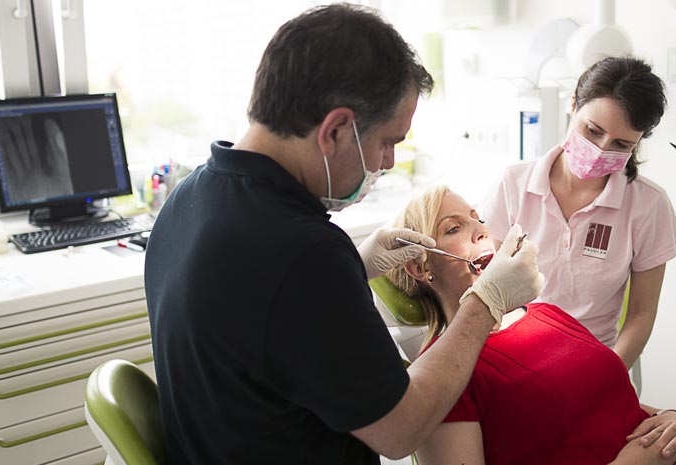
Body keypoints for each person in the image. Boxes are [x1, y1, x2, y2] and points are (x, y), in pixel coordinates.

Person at [144, 5, 543, 465]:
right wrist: (485, 304)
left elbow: (273, 323)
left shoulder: (191, 196)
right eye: (388, 141)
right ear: (335, 129)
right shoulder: (302, 254)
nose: (389, 161)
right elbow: (400, 431)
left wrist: (355, 264)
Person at [384, 186, 676, 465]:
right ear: (419, 266)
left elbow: (607, 400)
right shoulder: (439, 379)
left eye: (478, 219)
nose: (482, 230)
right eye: (453, 229)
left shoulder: (547, 314)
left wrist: (671, 420)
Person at [480, 56, 676, 368]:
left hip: (594, 361)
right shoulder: (513, 184)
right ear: (573, 104)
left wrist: (604, 376)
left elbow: (642, 313)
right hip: (514, 354)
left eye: (620, 143)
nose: (602, 149)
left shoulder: (648, 205)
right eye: (592, 131)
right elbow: (488, 288)